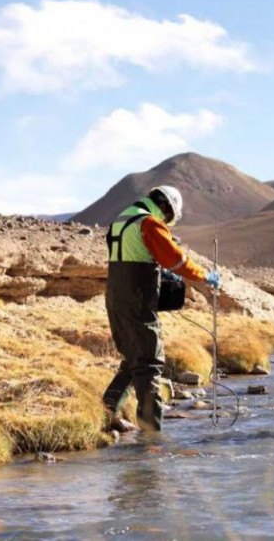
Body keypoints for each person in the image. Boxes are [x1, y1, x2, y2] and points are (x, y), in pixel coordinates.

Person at [101, 185, 221, 432]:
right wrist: (204, 276)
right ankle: (150, 436)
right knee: (150, 364)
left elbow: (132, 256)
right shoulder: (148, 222)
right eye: (168, 217)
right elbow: (175, 259)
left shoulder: (122, 219)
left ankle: (104, 414)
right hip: (138, 302)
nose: (166, 221)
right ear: (165, 206)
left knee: (133, 359)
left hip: (115, 299)